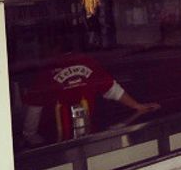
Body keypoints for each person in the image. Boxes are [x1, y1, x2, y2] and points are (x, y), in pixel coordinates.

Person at [22, 50, 159, 146]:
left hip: (57, 142)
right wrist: (136, 106)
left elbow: (34, 107)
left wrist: (31, 136)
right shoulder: (86, 61)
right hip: (84, 137)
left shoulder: (47, 69)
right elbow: (113, 90)